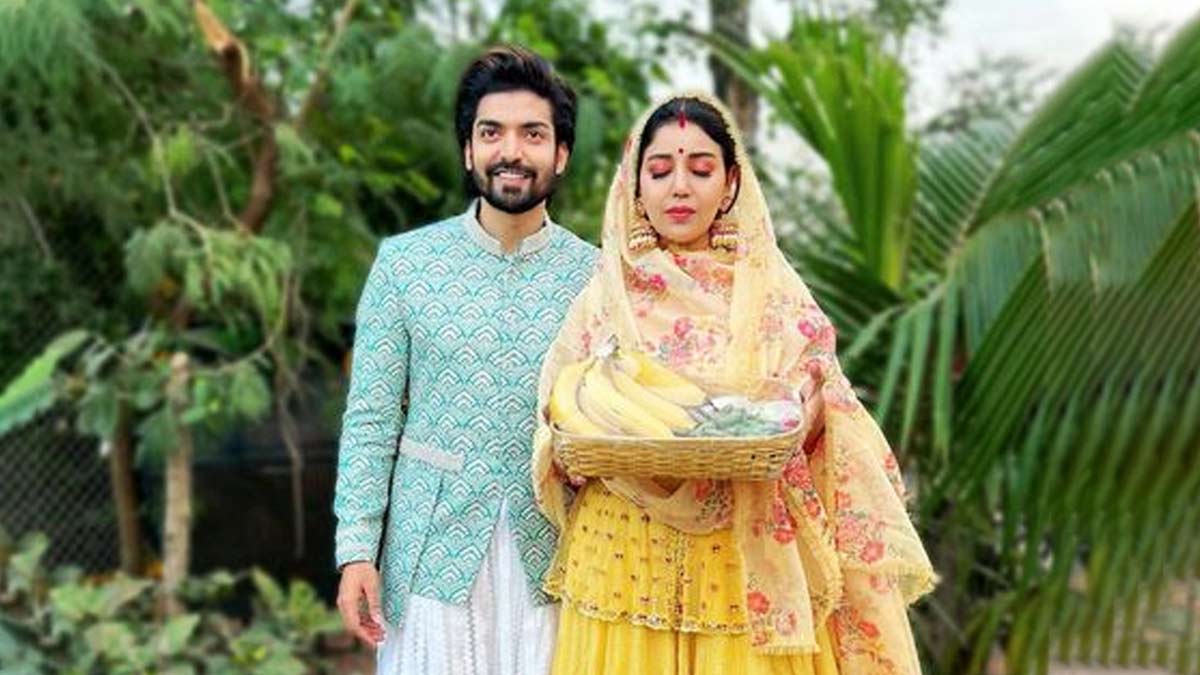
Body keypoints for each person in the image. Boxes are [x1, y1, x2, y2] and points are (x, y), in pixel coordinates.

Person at [532, 94, 936, 674]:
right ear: (635, 186)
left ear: (730, 184)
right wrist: (571, 445)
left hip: (740, 554)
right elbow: (560, 424)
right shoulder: (605, 296)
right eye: (660, 171)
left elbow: (825, 412)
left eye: (700, 170)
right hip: (624, 553)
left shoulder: (773, 295)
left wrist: (809, 418)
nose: (679, 187)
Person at [333, 45, 597, 675]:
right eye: (491, 132)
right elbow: (370, 418)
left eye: (533, 134)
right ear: (468, 151)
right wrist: (356, 548)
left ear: (560, 153)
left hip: (558, 554)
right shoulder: (405, 266)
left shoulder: (597, 278)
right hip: (432, 556)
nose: (511, 151)